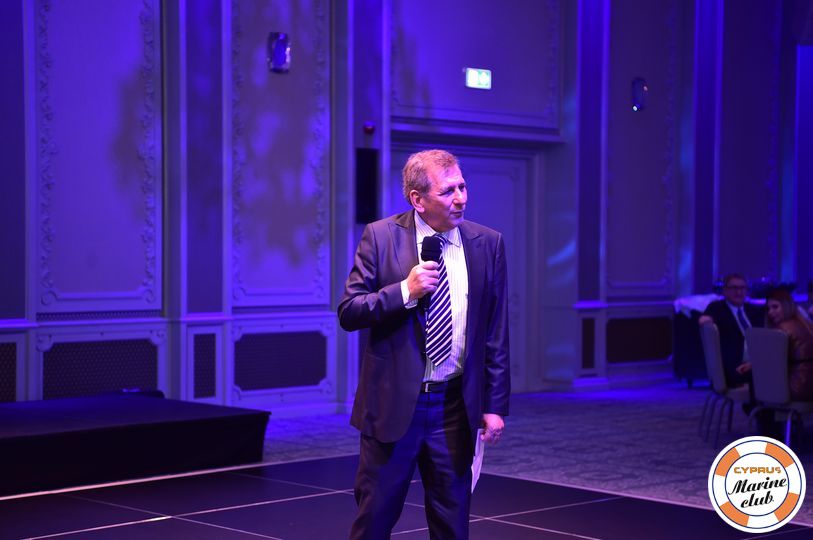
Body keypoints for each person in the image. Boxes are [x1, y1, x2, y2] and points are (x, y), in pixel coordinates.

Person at [338, 149, 510, 538]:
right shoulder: (381, 237)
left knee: (452, 524)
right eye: (448, 191)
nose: (460, 198)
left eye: (462, 187)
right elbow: (350, 311)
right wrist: (405, 291)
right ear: (417, 199)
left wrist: (494, 405)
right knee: (374, 521)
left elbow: (495, 332)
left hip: (454, 407)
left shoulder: (488, 243)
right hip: (395, 406)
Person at [698, 273, 764, 387]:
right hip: (734, 367)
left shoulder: (753, 310)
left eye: (742, 288)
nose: (739, 292)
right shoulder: (717, 308)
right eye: (734, 288)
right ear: (725, 291)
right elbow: (702, 320)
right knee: (763, 374)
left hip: (756, 362)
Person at [764, 289, 813, 401]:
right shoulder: (805, 323)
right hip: (809, 384)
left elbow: (773, 362)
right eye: (768, 309)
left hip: (799, 387)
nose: (770, 312)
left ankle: (761, 411)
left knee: (756, 378)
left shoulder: (782, 329)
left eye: (775, 307)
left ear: (786, 306)